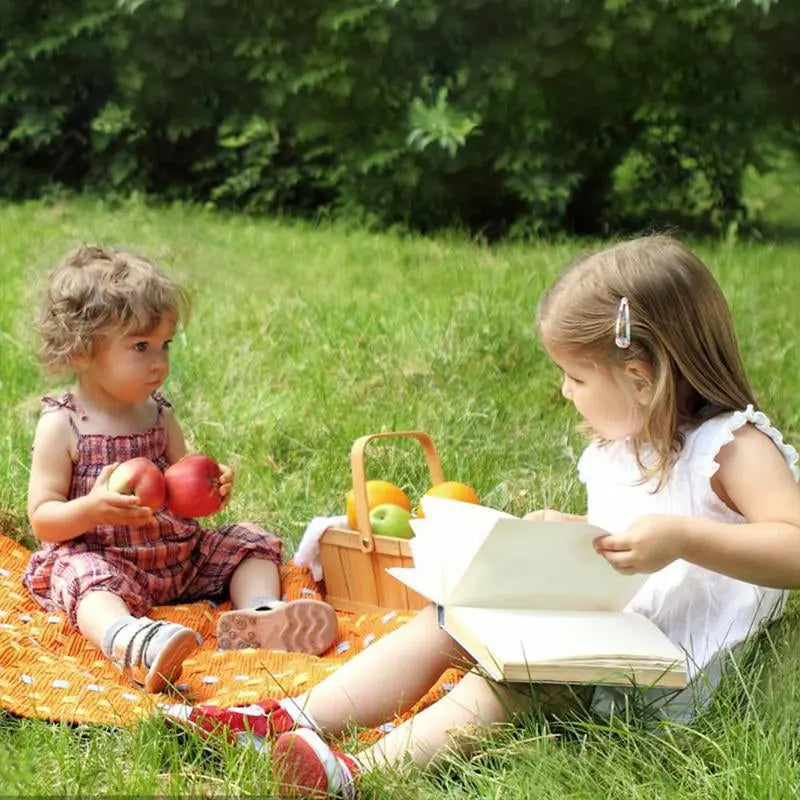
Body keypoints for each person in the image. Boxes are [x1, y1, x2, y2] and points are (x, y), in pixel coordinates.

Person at [166, 235, 800, 796]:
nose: (563, 391)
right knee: (454, 618)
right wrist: (585, 541)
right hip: (613, 632)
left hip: (668, 671)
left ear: (640, 378)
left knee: (510, 676)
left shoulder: (732, 448)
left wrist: (685, 538)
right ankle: (295, 716)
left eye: (574, 377)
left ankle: (363, 772)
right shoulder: (624, 445)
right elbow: (637, 545)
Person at [23, 245, 337, 693]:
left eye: (164, 345)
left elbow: (181, 494)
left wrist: (211, 488)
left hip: (178, 560)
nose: (159, 363)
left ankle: (260, 616)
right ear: (81, 352)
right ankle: (129, 638)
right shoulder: (64, 424)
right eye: (140, 347)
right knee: (81, 577)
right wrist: (92, 508)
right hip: (110, 564)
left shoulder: (158, 414)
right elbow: (43, 520)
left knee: (248, 540)